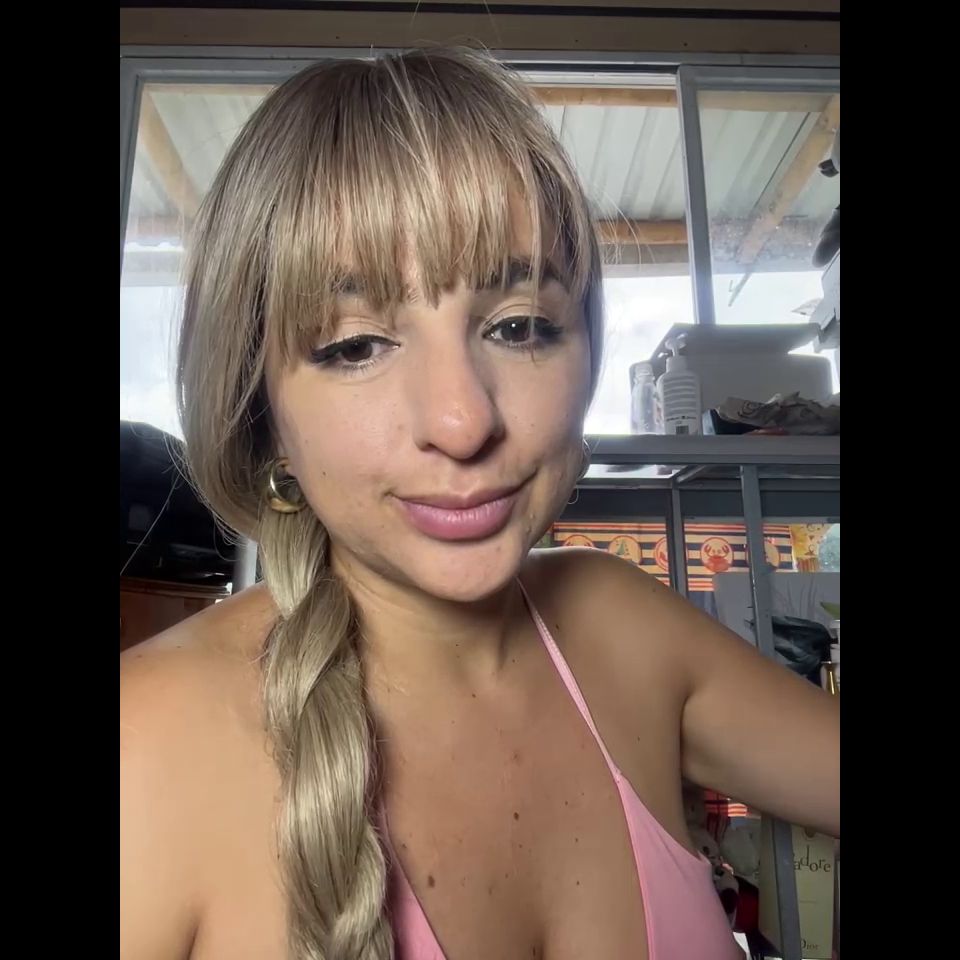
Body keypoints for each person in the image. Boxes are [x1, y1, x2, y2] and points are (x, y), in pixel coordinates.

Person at [120, 48, 839, 960]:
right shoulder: (146, 753)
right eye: (355, 346)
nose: (463, 422)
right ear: (261, 409)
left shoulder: (624, 630)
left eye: (519, 327)